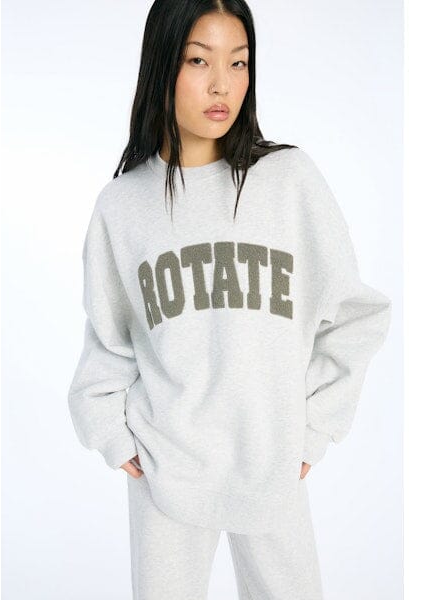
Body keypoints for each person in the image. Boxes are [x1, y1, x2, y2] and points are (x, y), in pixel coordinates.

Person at [67, 1, 392, 598]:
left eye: (238, 63)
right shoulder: (122, 205)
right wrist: (113, 436)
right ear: (162, 65)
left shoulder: (289, 181)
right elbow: (110, 340)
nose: (222, 84)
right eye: (199, 60)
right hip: (165, 465)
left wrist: (313, 430)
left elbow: (354, 316)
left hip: (272, 462)